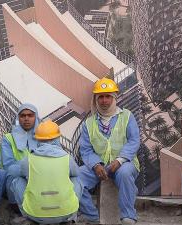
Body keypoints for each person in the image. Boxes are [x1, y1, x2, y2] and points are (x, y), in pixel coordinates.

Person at [78, 77, 140, 225]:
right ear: (96, 99)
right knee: (76, 178)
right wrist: (96, 165)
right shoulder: (89, 123)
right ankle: (92, 217)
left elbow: (134, 141)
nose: (104, 101)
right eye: (100, 97)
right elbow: (85, 149)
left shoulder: (127, 116)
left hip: (125, 164)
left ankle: (128, 216)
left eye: (108, 96)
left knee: (124, 174)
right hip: (99, 167)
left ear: (114, 98)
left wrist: (120, 160)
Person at [8, 120, 82, 224]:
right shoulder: (67, 158)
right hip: (66, 213)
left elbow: (21, 173)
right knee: (76, 179)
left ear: (38, 139)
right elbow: (76, 173)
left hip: (35, 215)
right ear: (57, 138)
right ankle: (72, 217)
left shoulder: (28, 159)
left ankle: (27, 216)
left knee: (18, 181)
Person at [0, 103, 39, 212]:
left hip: (41, 175)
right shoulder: (8, 138)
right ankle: (16, 208)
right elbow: (8, 165)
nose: (26, 119)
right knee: (13, 171)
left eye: (30, 115)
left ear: (36, 117)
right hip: (20, 175)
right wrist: (30, 168)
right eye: (23, 116)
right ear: (18, 118)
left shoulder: (43, 136)